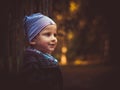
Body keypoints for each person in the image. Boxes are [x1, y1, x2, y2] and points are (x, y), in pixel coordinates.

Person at [19, 13, 63, 90]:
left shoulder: (47, 57)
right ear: (33, 40)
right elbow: (32, 83)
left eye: (55, 35)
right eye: (48, 34)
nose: (54, 39)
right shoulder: (31, 60)